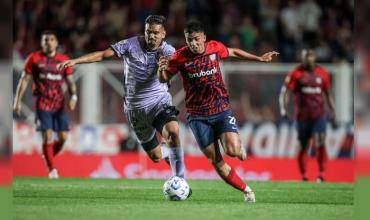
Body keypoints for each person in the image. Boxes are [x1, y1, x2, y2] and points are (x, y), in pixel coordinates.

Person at [157, 20, 279, 202]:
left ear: (204, 38)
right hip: (197, 116)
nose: (193, 43)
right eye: (189, 40)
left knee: (233, 150)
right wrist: (160, 70)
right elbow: (164, 78)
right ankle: (247, 191)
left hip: (220, 109)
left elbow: (234, 52)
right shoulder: (179, 57)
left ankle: (238, 148)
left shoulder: (214, 47)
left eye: (197, 39)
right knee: (216, 160)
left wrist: (258, 58)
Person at [58, 15, 187, 182]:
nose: (151, 36)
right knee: (155, 156)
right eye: (148, 32)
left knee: (173, 130)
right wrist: (75, 61)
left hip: (158, 103)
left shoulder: (168, 51)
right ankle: (169, 152)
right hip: (135, 109)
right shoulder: (130, 45)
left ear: (163, 34)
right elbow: (103, 55)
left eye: (156, 33)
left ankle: (180, 179)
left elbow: (183, 65)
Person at [14, 30, 78, 179]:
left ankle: (48, 155)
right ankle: (52, 169)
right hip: (42, 103)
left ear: (56, 43)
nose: (48, 42)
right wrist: (17, 101)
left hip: (59, 104)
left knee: (63, 137)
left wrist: (73, 96)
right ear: (41, 43)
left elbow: (70, 81)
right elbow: (24, 80)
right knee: (47, 136)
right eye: (45, 40)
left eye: (51, 40)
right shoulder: (34, 58)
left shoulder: (63, 59)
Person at [279, 49, 336, 182]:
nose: (306, 59)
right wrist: (283, 109)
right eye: (304, 57)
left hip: (319, 115)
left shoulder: (323, 73)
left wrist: (333, 111)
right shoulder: (296, 73)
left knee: (320, 141)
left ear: (313, 58)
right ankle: (304, 175)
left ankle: (321, 174)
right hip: (302, 116)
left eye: (308, 57)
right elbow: (284, 92)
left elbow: (328, 94)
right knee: (304, 145)